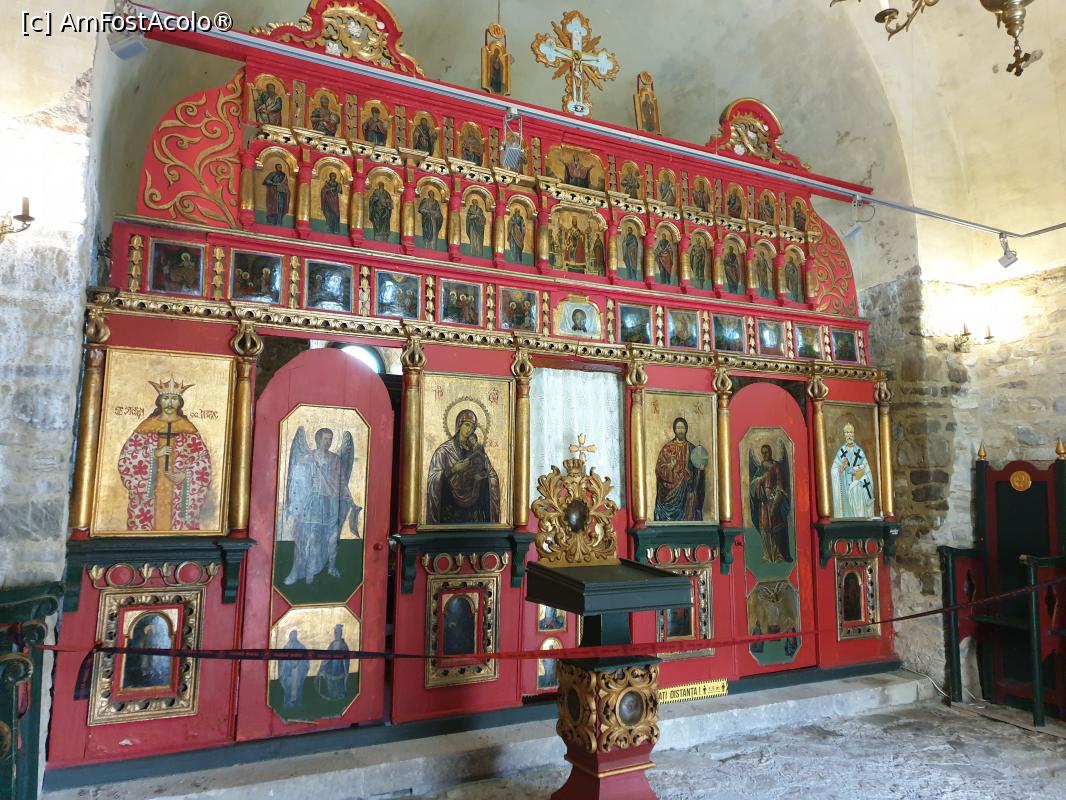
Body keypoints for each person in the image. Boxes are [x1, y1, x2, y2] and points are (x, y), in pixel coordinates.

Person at [118, 378, 211, 531]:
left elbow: (203, 462)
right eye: (166, 398)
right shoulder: (147, 427)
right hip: (150, 501)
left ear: (179, 402)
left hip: (177, 496)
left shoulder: (187, 428)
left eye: (174, 399)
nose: (169, 403)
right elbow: (126, 458)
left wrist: (185, 475)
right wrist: (153, 454)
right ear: (159, 401)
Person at [282, 426, 360, 585]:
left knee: (332, 538)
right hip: (314, 502)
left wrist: (350, 500)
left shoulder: (335, 459)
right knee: (308, 537)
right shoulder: (308, 457)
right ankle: (299, 571)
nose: (328, 442)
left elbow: (341, 482)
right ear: (318, 439)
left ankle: (331, 567)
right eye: (326, 439)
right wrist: (294, 502)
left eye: (330, 439)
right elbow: (297, 480)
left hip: (331, 503)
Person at [425, 409, 500, 524]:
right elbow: (433, 479)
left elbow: (491, 474)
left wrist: (482, 477)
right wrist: (454, 469)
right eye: (467, 425)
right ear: (459, 425)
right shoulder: (444, 451)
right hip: (450, 509)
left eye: (472, 427)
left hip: (475, 508)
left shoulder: (477, 451)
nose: (469, 429)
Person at [654, 417, 707, 521]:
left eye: (682, 428)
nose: (680, 430)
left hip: (687, 490)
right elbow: (659, 469)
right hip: (671, 491)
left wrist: (700, 469)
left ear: (686, 429)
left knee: (692, 498)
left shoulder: (692, 448)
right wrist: (670, 466)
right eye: (678, 428)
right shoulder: (667, 449)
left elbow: (698, 471)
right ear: (674, 429)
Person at [750, 443, 792, 563]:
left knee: (775, 526)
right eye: (763, 453)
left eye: (766, 452)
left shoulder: (775, 465)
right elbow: (753, 482)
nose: (765, 455)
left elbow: (779, 483)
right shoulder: (761, 467)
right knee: (765, 527)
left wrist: (775, 500)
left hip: (774, 500)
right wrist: (758, 480)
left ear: (771, 452)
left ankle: (778, 553)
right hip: (763, 503)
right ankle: (768, 555)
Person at [832, 423, 875, 518]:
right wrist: (841, 468)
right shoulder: (841, 452)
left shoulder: (859, 452)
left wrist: (861, 475)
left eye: (851, 432)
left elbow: (867, 471)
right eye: (847, 432)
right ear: (844, 435)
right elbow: (834, 470)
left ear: (854, 434)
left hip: (858, 490)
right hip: (846, 489)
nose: (849, 435)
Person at [122, 614, 172, 689]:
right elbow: (143, 643)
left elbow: (158, 643)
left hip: (154, 653)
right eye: (150, 631)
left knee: (155, 661)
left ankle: (155, 672)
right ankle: (145, 672)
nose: (151, 632)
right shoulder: (145, 638)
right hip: (146, 652)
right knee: (145, 661)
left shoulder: (156, 638)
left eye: (152, 631)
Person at [316, 624, 350, 701]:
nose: (335, 634)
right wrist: (323, 665)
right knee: (330, 683)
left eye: (337, 632)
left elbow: (346, 659)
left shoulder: (343, 645)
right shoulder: (332, 644)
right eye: (335, 632)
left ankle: (340, 695)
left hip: (339, 668)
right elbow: (327, 655)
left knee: (339, 683)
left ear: (341, 633)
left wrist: (345, 670)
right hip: (331, 668)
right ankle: (332, 695)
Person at [278, 629, 308, 708]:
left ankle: (298, 702)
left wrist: (298, 665)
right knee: (288, 686)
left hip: (297, 672)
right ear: (289, 636)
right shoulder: (286, 647)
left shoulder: (301, 647)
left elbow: (305, 660)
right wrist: (288, 665)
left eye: (295, 635)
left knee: (298, 686)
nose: (293, 636)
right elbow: (281, 661)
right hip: (288, 673)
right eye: (292, 634)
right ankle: (288, 703)